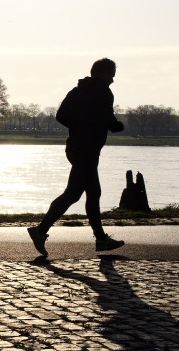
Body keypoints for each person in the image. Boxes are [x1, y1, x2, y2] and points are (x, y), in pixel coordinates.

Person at [28, 58, 126, 256]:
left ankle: (100, 239)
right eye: (112, 74)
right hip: (87, 149)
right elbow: (108, 119)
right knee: (74, 194)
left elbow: (61, 115)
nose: (113, 79)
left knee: (91, 192)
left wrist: (78, 126)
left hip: (75, 147)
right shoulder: (103, 92)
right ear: (104, 73)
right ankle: (40, 230)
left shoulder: (76, 91)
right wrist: (117, 126)